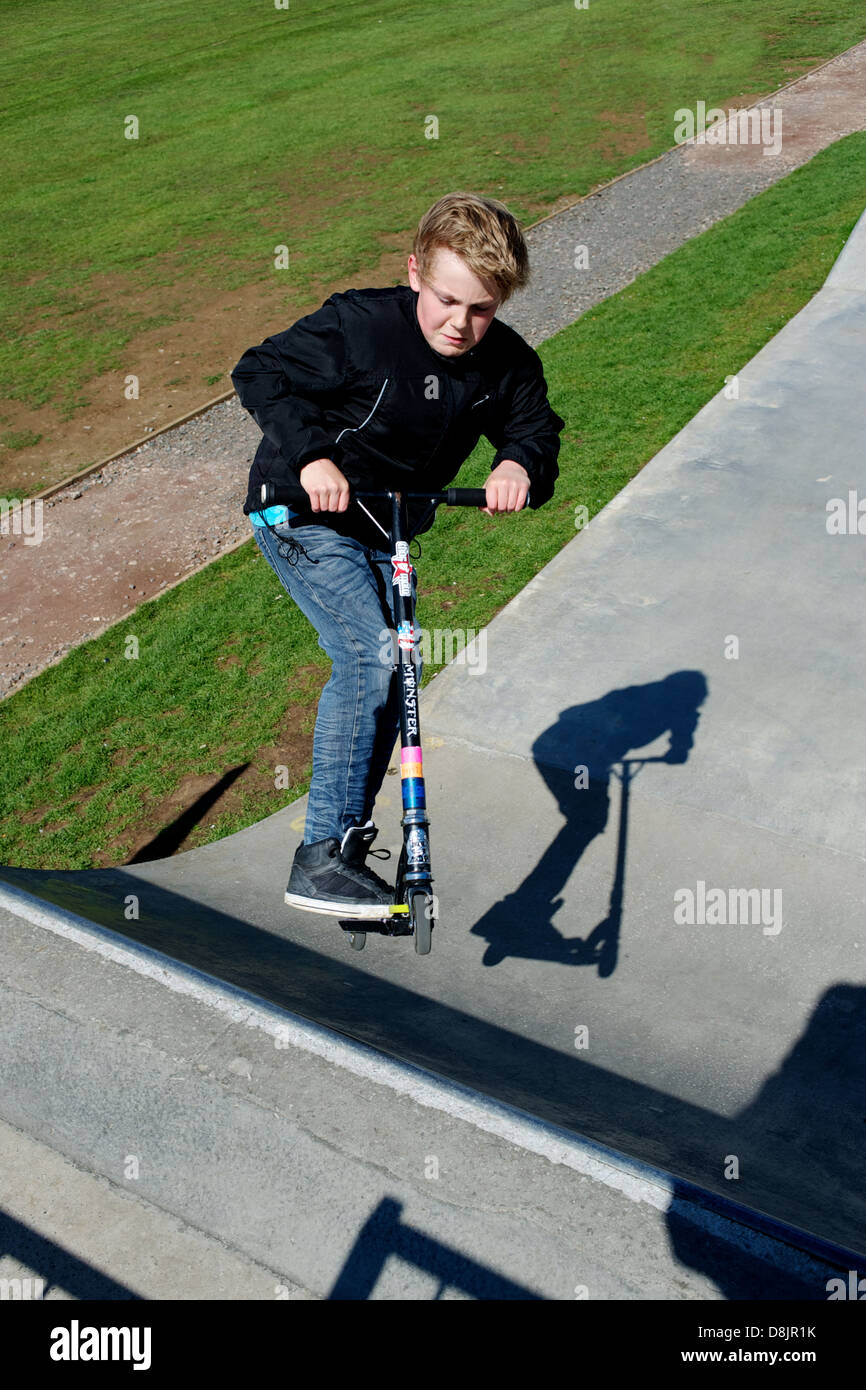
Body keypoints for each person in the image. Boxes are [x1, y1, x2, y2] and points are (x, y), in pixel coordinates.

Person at [231, 191, 564, 918]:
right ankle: (317, 858)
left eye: (482, 309)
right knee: (369, 651)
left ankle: (345, 847)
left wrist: (518, 466)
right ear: (415, 272)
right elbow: (259, 372)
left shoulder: (503, 362)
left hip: (388, 529)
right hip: (301, 509)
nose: (460, 324)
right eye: (448, 300)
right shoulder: (359, 326)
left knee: (395, 674)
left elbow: (535, 429)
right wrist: (313, 456)